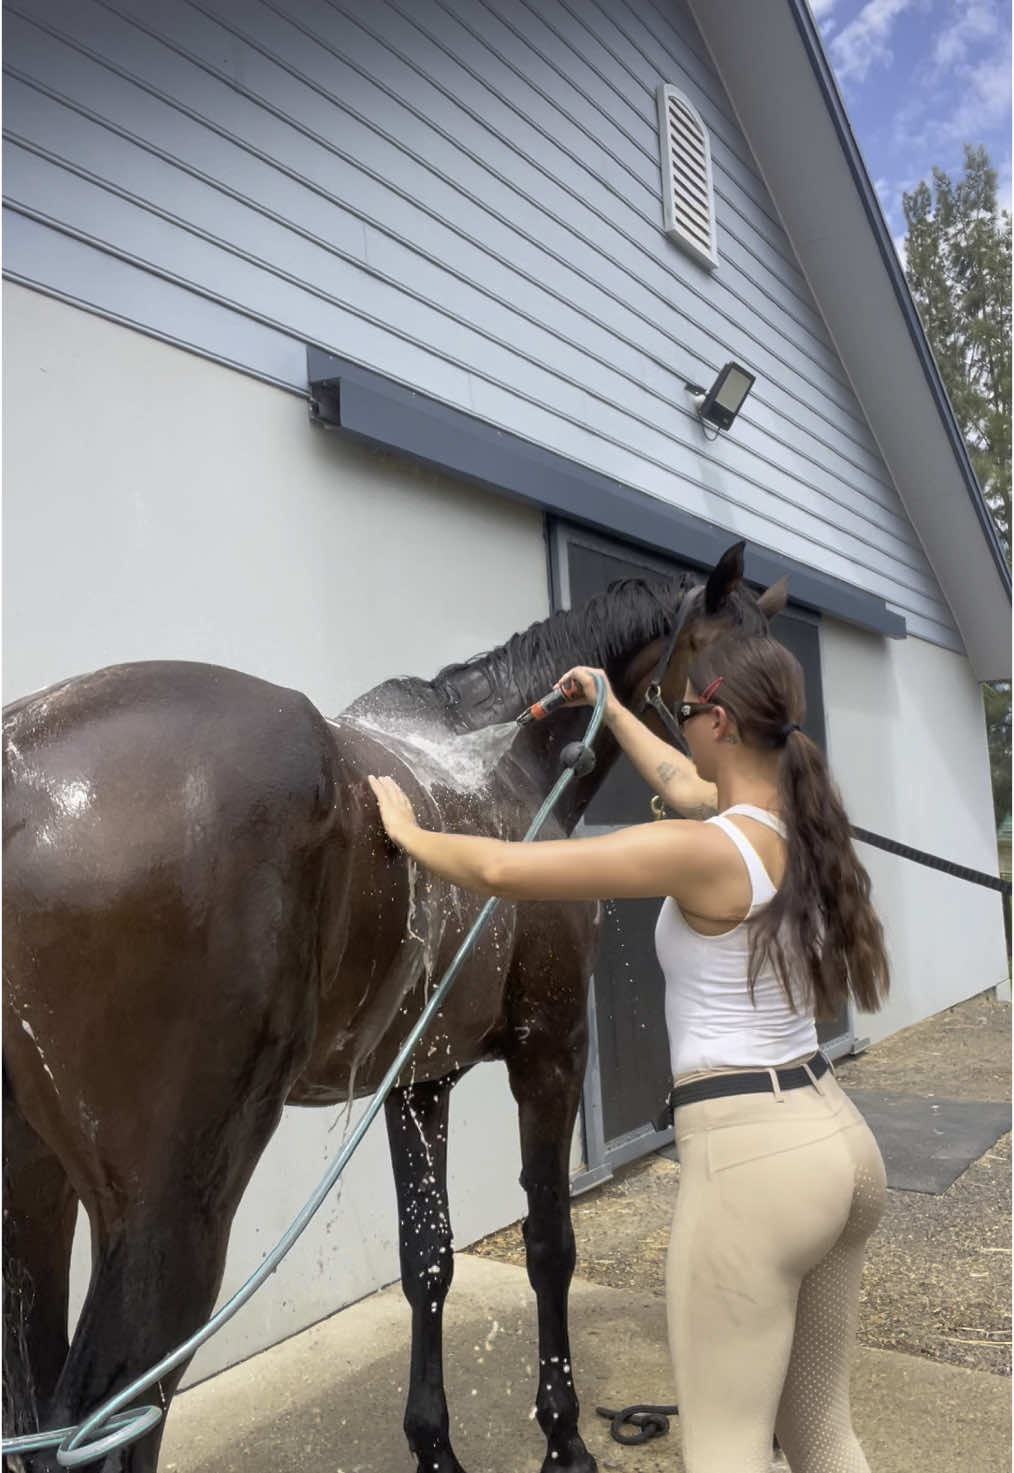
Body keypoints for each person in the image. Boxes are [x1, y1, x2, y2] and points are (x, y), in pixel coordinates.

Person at [369, 631, 889, 1473]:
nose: (680, 730)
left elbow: (504, 871)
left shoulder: (706, 852)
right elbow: (682, 782)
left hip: (757, 1169)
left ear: (720, 719)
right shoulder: (795, 824)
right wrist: (611, 705)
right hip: (837, 1143)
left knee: (726, 1452)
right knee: (823, 1437)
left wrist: (407, 830)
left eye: (686, 713)